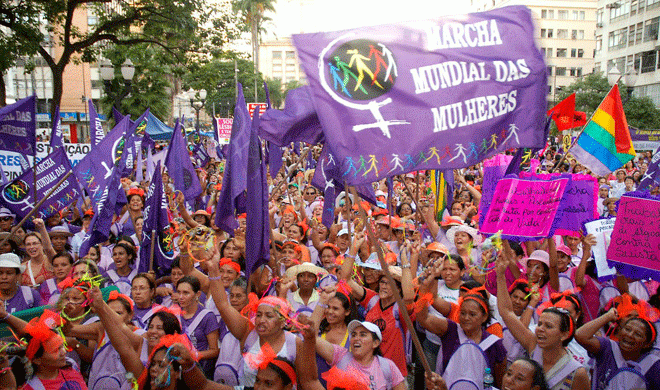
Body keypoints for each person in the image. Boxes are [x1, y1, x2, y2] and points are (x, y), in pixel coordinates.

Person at [205, 254, 304, 387]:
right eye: (258, 315)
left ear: (282, 322)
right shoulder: (248, 333)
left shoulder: (295, 343)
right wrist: (213, 268)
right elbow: (223, 305)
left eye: (269, 316)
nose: (261, 320)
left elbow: (305, 382)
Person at [496, 257, 590, 390]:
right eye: (540, 324)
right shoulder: (534, 346)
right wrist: (500, 275)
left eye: (549, 326)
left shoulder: (577, 373)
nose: (540, 329)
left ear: (563, 334)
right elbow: (506, 312)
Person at [0, 306, 88, 390]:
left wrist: (6, 315)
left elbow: (32, 332)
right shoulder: (31, 387)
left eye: (62, 346)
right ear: (36, 360)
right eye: (55, 350)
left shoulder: (71, 365)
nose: (64, 352)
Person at [575, 308, 660, 390]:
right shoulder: (608, 347)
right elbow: (580, 335)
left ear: (647, 344)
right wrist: (608, 316)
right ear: (619, 331)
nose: (630, 335)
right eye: (627, 329)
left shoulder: (652, 364)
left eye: (638, 334)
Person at [175, 275, 219, 377]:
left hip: (201, 372)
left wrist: (195, 355)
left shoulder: (207, 316)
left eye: (186, 293)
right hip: (180, 370)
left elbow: (214, 351)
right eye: (179, 292)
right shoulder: (174, 315)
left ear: (197, 294)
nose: (181, 297)